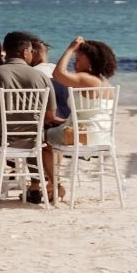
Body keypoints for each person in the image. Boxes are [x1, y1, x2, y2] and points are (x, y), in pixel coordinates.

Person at [0, 31, 54, 201]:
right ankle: (35, 186)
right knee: (35, 132)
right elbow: (50, 115)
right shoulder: (41, 77)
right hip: (32, 139)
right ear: (25, 52)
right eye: (31, 51)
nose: (32, 54)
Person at [43, 37, 118, 201]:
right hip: (102, 135)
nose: (75, 62)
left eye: (78, 59)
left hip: (83, 135)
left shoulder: (86, 79)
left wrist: (70, 49)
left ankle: (55, 185)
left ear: (90, 61)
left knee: (43, 141)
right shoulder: (106, 83)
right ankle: (52, 185)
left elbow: (57, 74)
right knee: (55, 133)